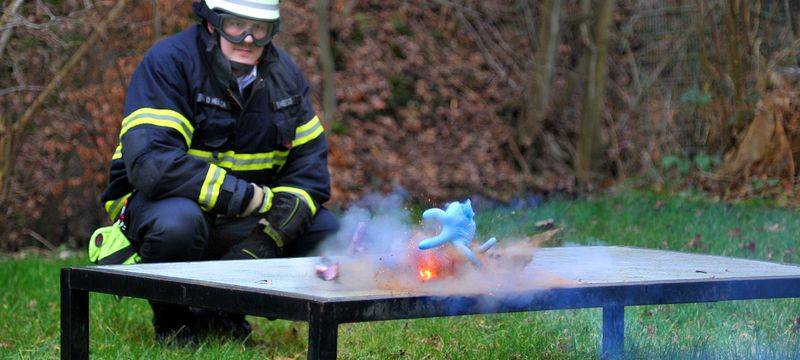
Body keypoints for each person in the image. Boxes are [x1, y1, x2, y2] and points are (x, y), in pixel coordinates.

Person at [96, 0, 339, 344]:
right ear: (212, 23)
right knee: (178, 224)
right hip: (160, 209)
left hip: (242, 219)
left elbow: (309, 175)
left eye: (260, 29)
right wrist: (243, 196)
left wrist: (266, 241)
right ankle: (174, 322)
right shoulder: (170, 63)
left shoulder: (287, 77)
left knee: (328, 231)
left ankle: (225, 312)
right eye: (236, 26)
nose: (248, 39)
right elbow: (153, 164)